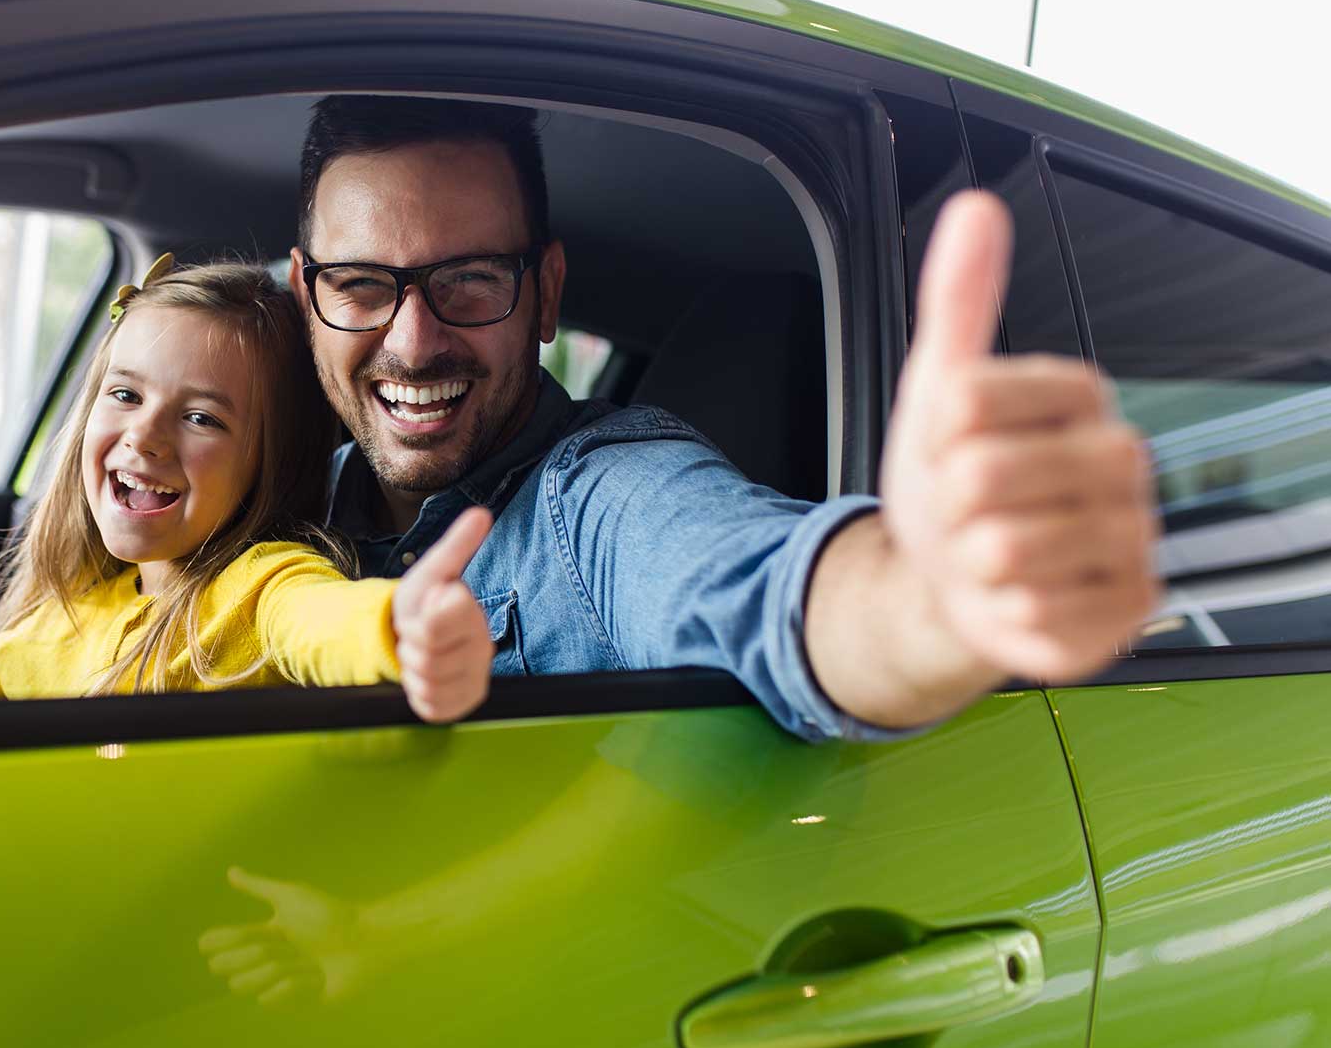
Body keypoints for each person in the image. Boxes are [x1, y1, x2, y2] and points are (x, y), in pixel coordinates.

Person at [290, 96, 1160, 741]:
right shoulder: (272, 498)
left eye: (469, 279)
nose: (413, 339)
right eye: (360, 285)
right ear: (305, 293)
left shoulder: (601, 499)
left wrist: (933, 598)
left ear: (545, 294)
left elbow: (759, 585)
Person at [0, 257, 495, 723]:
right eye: (126, 396)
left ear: (269, 463)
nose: (145, 437)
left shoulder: (256, 589)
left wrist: (396, 628)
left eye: (201, 418)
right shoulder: (60, 618)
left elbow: (316, 622)